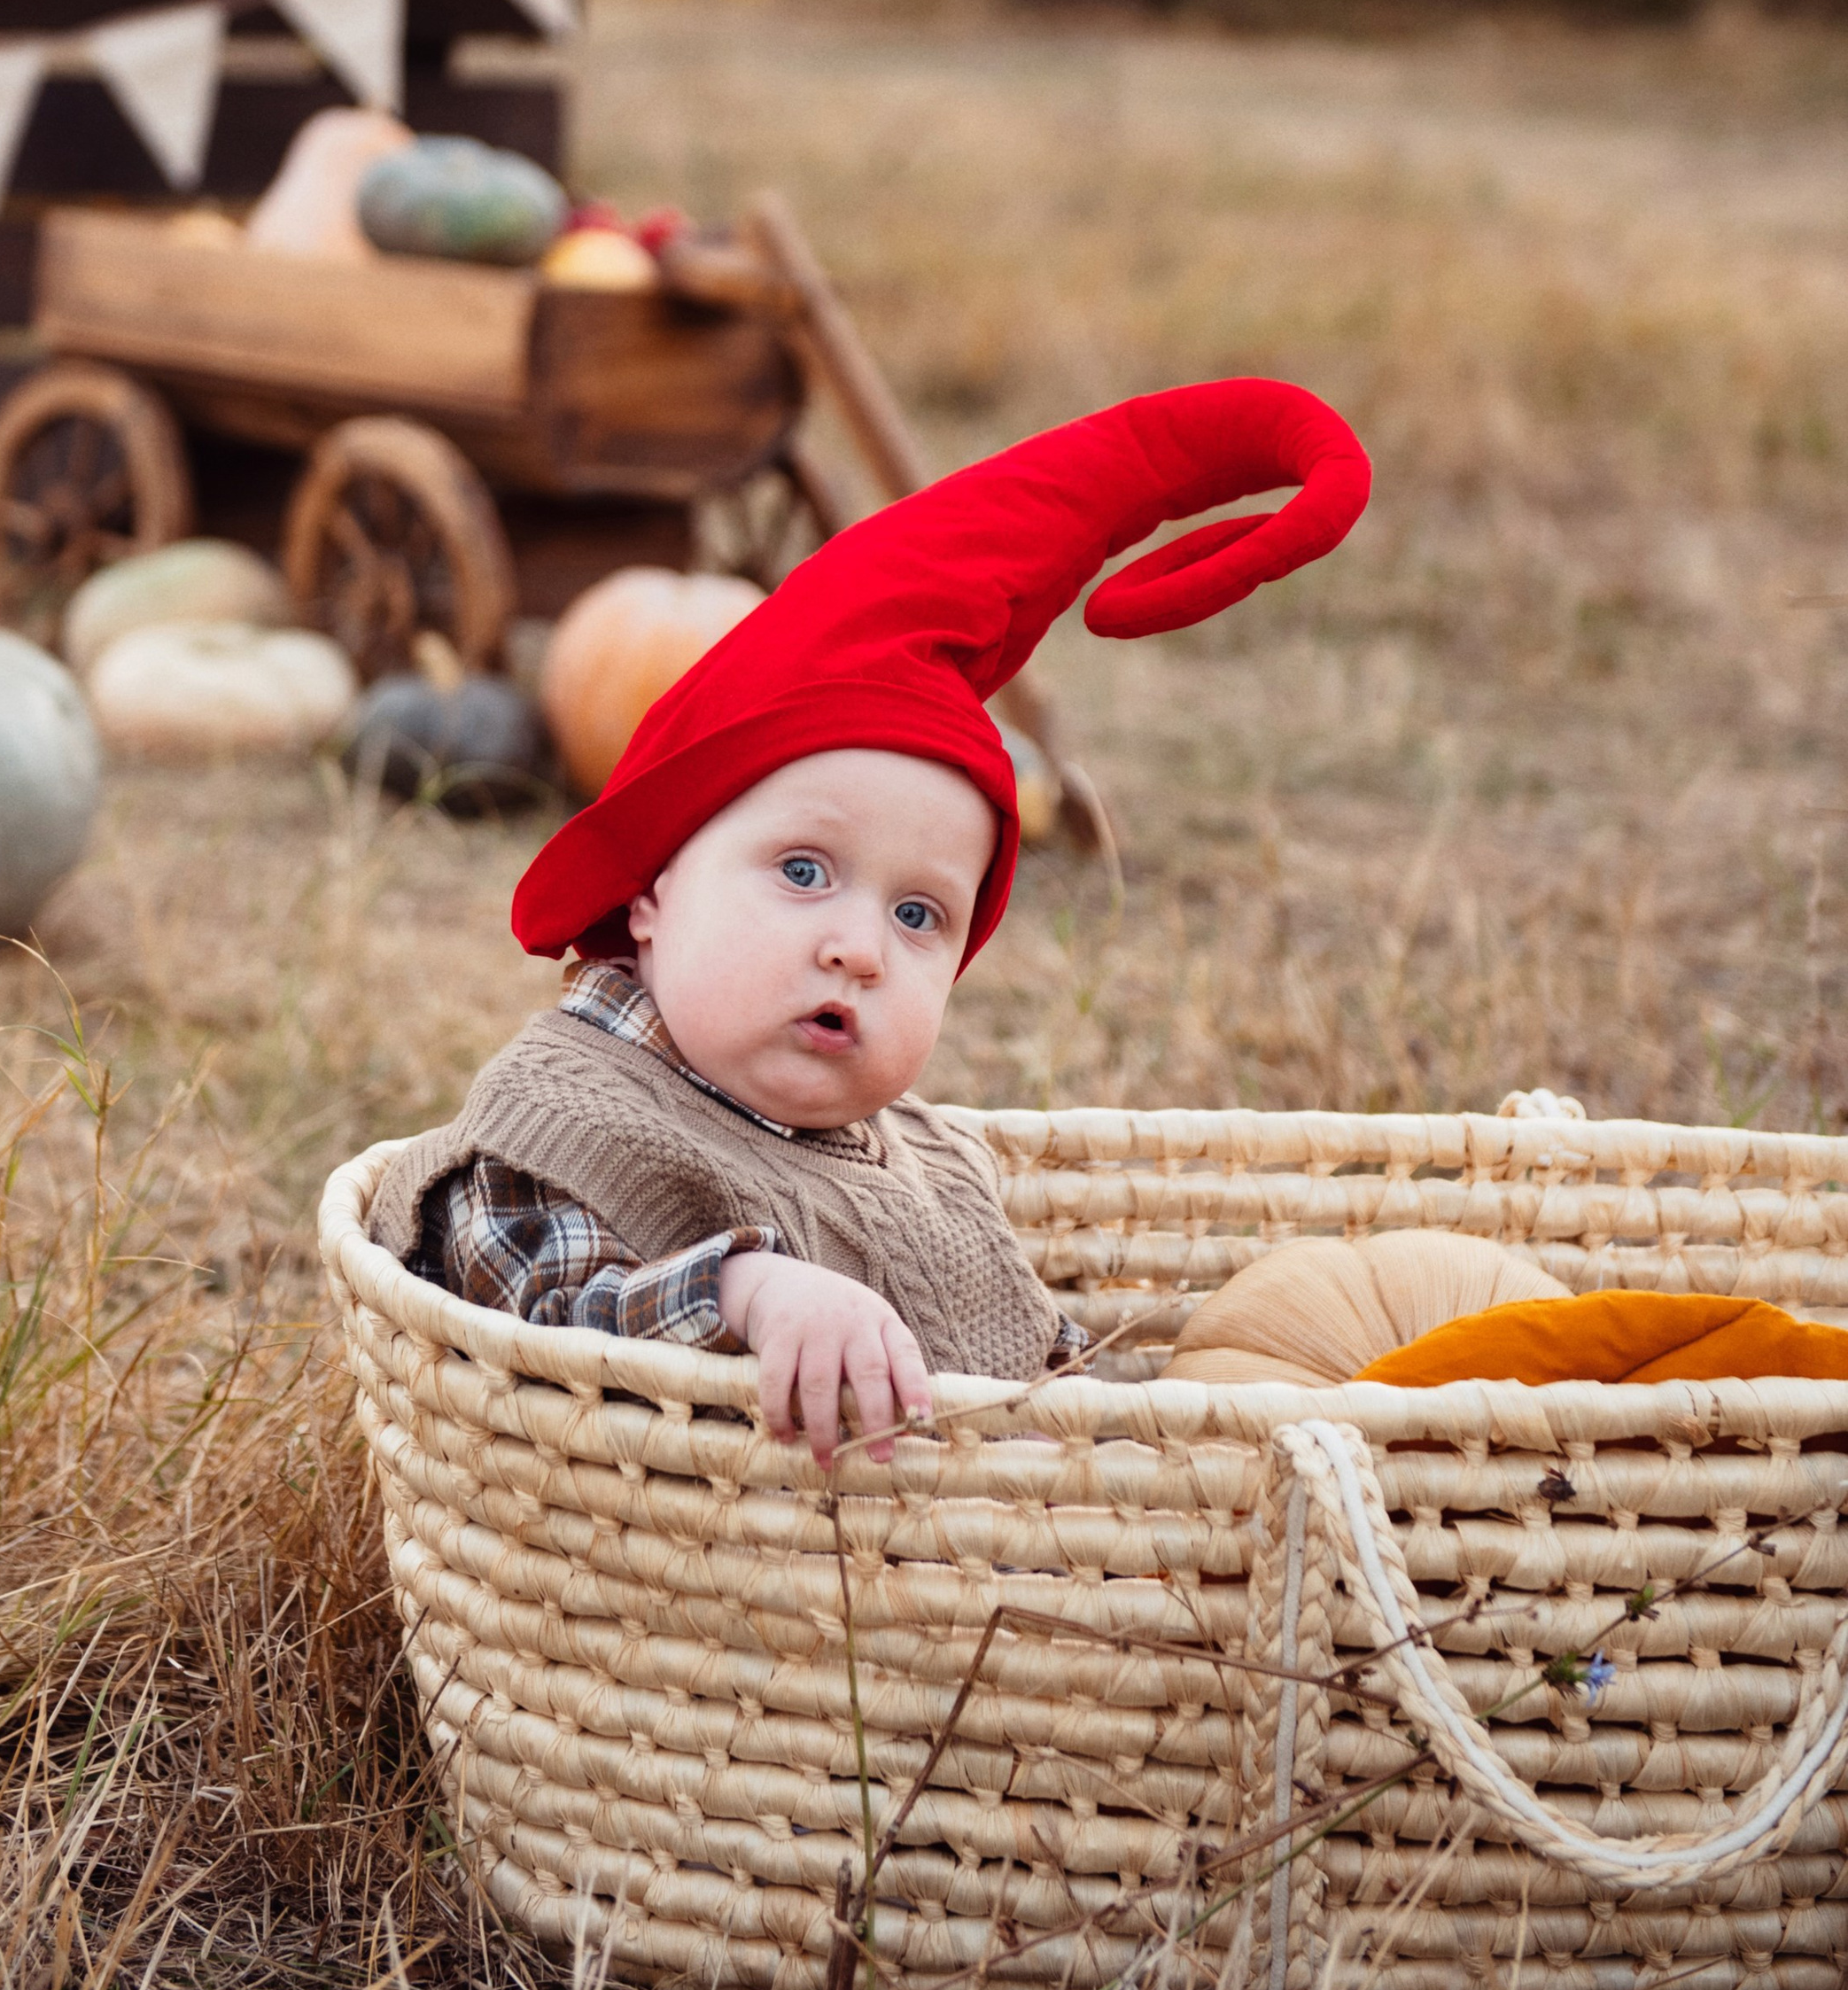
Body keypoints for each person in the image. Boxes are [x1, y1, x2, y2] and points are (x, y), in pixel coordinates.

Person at [369, 377, 1370, 1465]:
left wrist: (1167, 1429)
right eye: (802, 870)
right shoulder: (558, 1114)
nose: (858, 946)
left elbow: (1044, 1384)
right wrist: (743, 1291)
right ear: (652, 889)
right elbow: (521, 1315)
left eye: (918, 915)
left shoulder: (929, 1174)